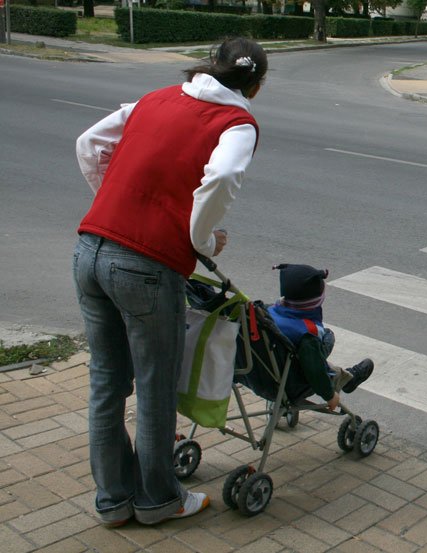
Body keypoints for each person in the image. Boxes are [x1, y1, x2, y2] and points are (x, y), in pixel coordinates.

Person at [72, 37, 268, 527]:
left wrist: (115, 202)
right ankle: (158, 499)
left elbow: (89, 144)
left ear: (208, 65)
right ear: (256, 86)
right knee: (156, 386)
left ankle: (114, 501)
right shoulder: (238, 122)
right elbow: (221, 177)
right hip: (145, 267)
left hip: (90, 248)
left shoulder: (154, 99)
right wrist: (198, 240)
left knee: (106, 383)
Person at [265, 264, 375, 412]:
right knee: (326, 337)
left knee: (308, 352)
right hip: (290, 381)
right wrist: (329, 395)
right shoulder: (307, 334)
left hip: (264, 373)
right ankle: (346, 379)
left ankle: (346, 378)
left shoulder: (266, 312)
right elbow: (315, 371)